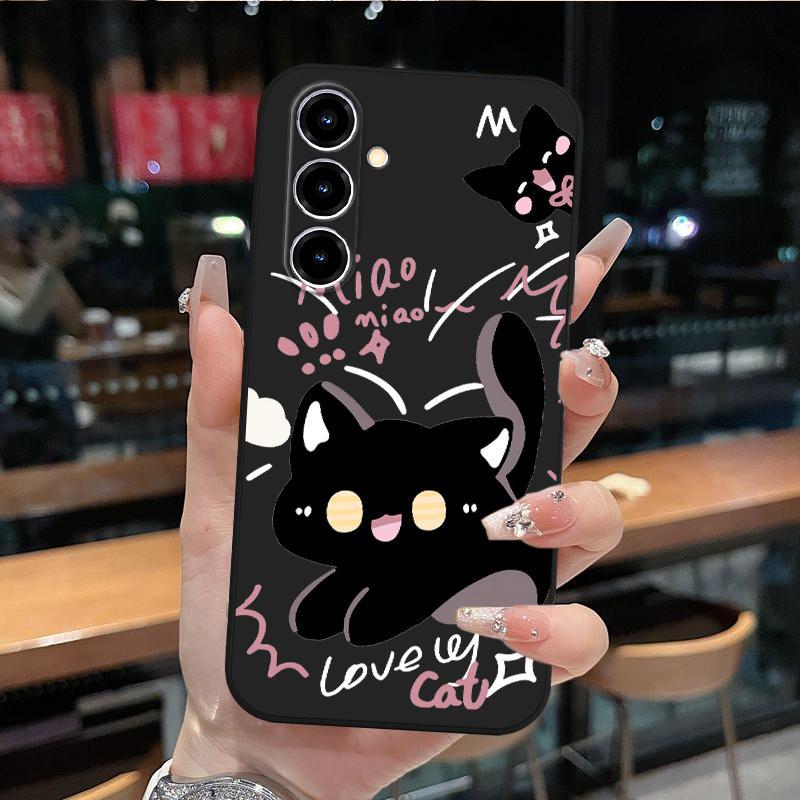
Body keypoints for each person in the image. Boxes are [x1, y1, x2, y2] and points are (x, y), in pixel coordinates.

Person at [160, 219, 631, 800]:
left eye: (426, 510)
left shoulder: (460, 492)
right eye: (346, 510)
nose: (384, 527)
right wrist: (237, 760)